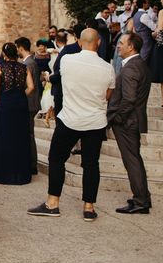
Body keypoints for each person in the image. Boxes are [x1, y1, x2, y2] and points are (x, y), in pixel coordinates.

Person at [28, 29, 115, 222]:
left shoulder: (67, 60)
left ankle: (52, 203)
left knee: (57, 158)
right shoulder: (107, 67)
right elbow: (107, 96)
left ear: (79, 41)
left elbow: (58, 77)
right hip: (95, 121)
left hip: (70, 119)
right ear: (99, 43)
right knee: (91, 164)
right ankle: (89, 207)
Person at [107, 33, 153, 214]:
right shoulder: (140, 64)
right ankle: (143, 197)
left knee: (132, 161)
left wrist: (117, 118)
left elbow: (129, 99)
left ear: (131, 47)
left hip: (127, 122)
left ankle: (141, 201)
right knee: (135, 159)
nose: (118, 46)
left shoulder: (130, 69)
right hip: (133, 120)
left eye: (121, 43)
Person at [0, 43, 34, 185]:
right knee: (20, 136)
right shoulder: (24, 67)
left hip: (6, 104)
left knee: (5, 136)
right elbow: (31, 87)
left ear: (4, 54)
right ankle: (21, 174)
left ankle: (5, 174)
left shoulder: (0, 67)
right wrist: (21, 96)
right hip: (21, 103)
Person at [15, 37, 41, 175]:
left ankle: (32, 165)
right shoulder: (30, 62)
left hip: (29, 103)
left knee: (29, 134)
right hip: (32, 102)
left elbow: (29, 86)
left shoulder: (29, 63)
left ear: (20, 48)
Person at [47, 24, 83, 115]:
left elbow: (59, 72)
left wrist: (49, 78)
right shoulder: (78, 49)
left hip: (62, 91)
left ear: (74, 36)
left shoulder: (68, 50)